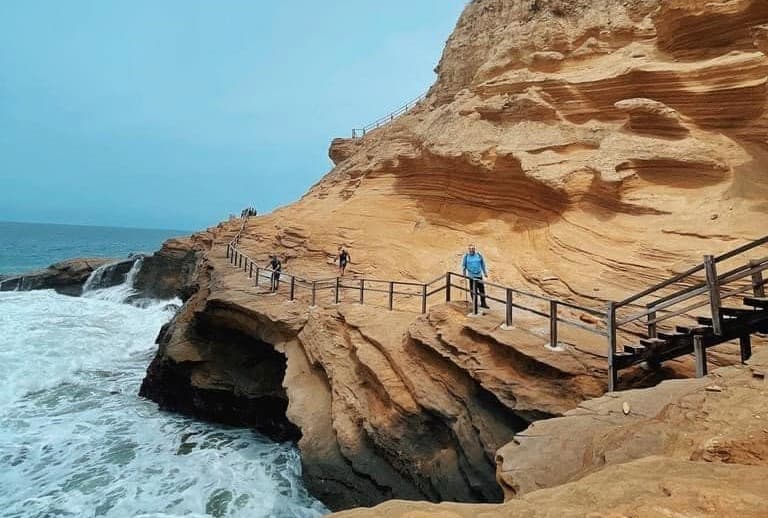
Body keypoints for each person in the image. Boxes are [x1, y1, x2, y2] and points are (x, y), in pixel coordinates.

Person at [461, 244, 489, 309]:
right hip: (471, 276)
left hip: (479, 275)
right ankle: (475, 304)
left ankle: (483, 303)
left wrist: (485, 272)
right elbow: (464, 266)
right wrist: (464, 274)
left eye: (473, 249)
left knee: (482, 290)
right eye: (470, 249)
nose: (471, 250)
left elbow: (483, 264)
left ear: (474, 249)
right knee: (473, 290)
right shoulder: (466, 256)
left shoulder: (479, 255)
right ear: (468, 250)